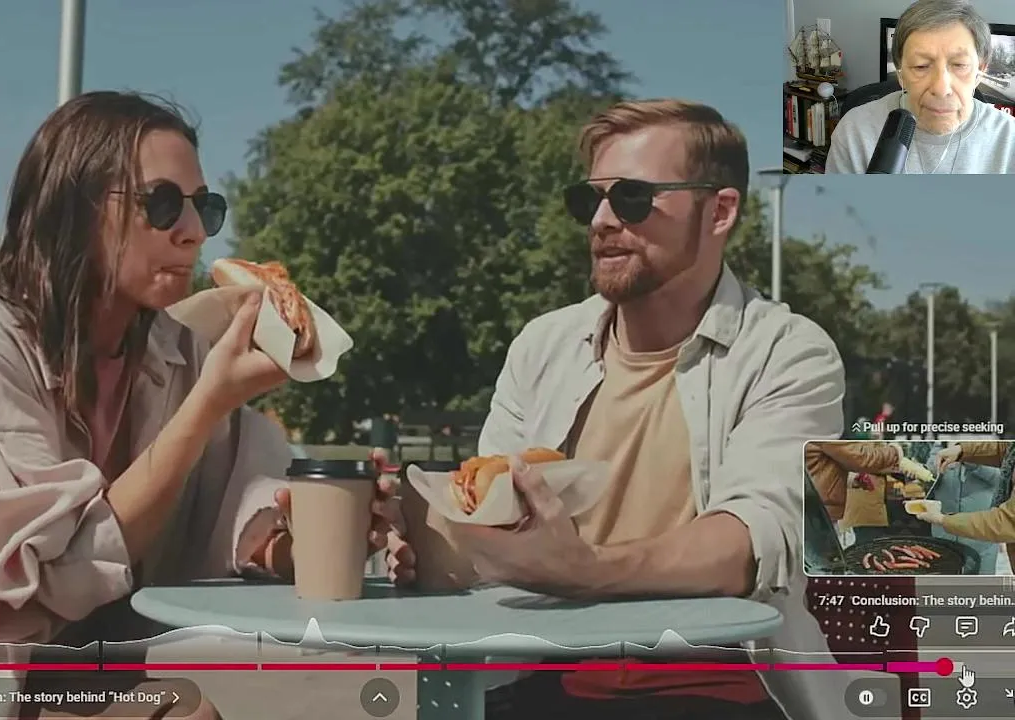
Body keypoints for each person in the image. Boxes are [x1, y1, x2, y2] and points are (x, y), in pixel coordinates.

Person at [0, 92, 395, 720]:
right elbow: (35, 583)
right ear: (76, 208)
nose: (192, 231)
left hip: (82, 664)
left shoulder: (175, 348)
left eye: (205, 206)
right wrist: (206, 405)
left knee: (264, 695)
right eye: (161, 203)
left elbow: (229, 522)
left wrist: (321, 534)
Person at [386, 99, 869, 720]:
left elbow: (750, 544)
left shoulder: (788, 352)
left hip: (711, 688)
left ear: (720, 211)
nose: (602, 221)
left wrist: (584, 570)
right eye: (589, 200)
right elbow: (488, 529)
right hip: (536, 677)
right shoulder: (543, 345)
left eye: (633, 198)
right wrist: (412, 532)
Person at [826, 0, 1015, 174]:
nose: (941, 89)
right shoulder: (854, 133)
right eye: (921, 66)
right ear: (900, 74)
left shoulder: (1009, 138)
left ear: (980, 71)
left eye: (960, 65)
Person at [804, 440, 930, 545]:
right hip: (826, 511)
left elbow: (829, 460)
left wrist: (850, 478)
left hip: (822, 508)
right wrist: (895, 452)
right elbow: (860, 457)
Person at [917, 440, 1015, 567]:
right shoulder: (941, 443)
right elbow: (1005, 448)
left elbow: (1001, 478)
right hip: (944, 535)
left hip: (981, 534)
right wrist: (962, 450)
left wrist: (973, 463)